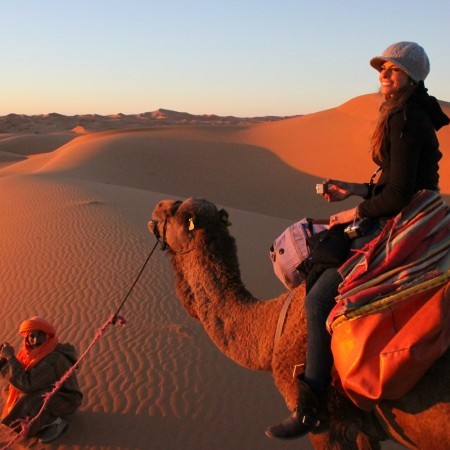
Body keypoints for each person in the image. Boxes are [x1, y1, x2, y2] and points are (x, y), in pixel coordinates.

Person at [266, 41, 450, 440]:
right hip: (414, 210)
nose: (385, 75)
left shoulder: (405, 119)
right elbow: (395, 182)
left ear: (413, 77)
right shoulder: (410, 114)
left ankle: (311, 405)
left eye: (394, 70)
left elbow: (399, 194)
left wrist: (354, 212)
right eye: (382, 68)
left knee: (317, 298)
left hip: (407, 218)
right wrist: (352, 189)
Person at [0, 316, 82, 443]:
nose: (36, 340)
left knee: (29, 398)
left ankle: (55, 422)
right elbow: (19, 374)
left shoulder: (53, 358)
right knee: (9, 389)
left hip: (67, 400)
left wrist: (11, 358)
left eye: (40, 335)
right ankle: (39, 417)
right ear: (26, 339)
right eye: (31, 336)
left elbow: (27, 383)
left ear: (48, 336)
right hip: (50, 392)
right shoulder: (30, 353)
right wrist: (4, 360)